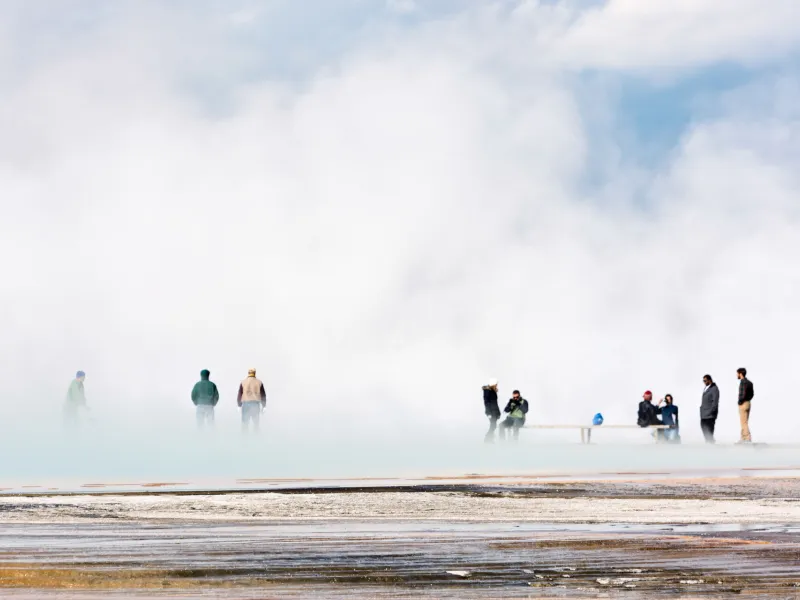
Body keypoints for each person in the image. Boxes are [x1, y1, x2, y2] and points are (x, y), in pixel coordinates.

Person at [237, 368, 266, 432]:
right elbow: (263, 395)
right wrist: (264, 406)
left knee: (245, 424)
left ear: (248, 373)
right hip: (255, 404)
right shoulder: (259, 382)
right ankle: (256, 439)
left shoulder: (243, 382)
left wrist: (239, 405)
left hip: (246, 404)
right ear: (255, 373)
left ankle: (244, 439)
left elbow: (240, 394)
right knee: (256, 424)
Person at [736, 368, 755, 443]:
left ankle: (747, 438)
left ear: (740, 373)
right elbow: (752, 394)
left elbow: (743, 394)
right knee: (744, 421)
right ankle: (743, 438)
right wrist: (748, 399)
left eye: (737, 373)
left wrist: (740, 401)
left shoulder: (743, 382)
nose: (737, 375)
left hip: (743, 403)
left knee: (743, 422)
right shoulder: (750, 382)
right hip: (748, 403)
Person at [700, 374, 719, 444]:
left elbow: (715, 402)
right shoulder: (706, 388)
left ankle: (711, 444)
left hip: (710, 415)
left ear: (709, 380)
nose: (704, 382)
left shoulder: (714, 389)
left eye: (705, 380)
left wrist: (711, 412)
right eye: (703, 381)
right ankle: (709, 442)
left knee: (709, 431)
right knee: (703, 427)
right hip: (704, 414)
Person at [482, 378, 501, 443]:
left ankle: (490, 439)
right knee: (493, 425)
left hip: (495, 411)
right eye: (496, 384)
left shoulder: (493, 391)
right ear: (493, 384)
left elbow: (495, 403)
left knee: (493, 425)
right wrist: (488, 413)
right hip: (491, 411)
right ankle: (487, 439)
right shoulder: (487, 391)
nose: (496, 385)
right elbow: (486, 402)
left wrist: (498, 413)